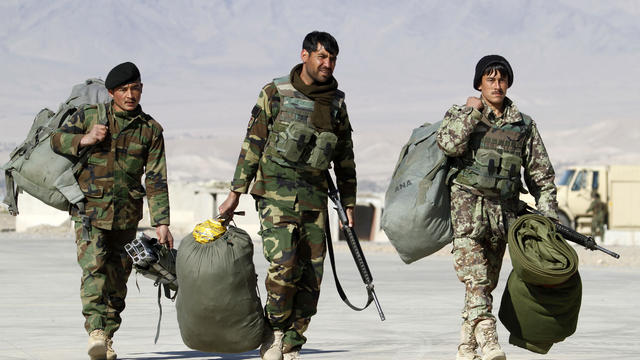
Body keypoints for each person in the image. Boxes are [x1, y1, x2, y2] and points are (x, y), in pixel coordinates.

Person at [218, 31, 356, 360]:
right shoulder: (276, 92)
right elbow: (253, 144)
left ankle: (292, 344)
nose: (328, 64)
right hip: (275, 194)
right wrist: (235, 192)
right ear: (305, 55)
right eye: (322, 57)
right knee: (284, 265)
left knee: (312, 277)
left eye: (333, 58)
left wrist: (348, 202)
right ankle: (275, 332)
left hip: (315, 198)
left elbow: (345, 157)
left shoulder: (336, 102)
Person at [436, 55, 559, 360]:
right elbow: (448, 145)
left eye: (502, 79)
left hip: (503, 216)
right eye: (490, 79)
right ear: (479, 83)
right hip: (467, 213)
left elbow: (541, 176)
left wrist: (549, 218)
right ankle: (489, 339)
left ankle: (466, 348)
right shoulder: (462, 113)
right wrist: (470, 113)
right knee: (475, 279)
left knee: (485, 285)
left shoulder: (523, 125)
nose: (497, 85)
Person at [51, 62, 174, 360]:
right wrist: (84, 139)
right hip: (89, 212)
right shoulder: (91, 116)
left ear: (142, 89)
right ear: (111, 93)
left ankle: (107, 337)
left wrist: (162, 223)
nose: (130, 95)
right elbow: (56, 140)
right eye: (123, 90)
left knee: (119, 279)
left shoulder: (150, 130)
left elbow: (156, 178)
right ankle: (95, 331)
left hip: (127, 216)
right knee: (94, 270)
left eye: (135, 88)